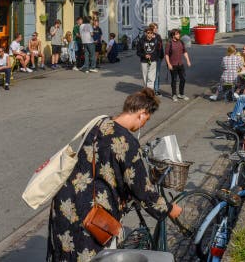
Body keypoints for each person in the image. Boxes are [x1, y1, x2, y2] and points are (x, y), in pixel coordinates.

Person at [46, 88, 182, 259]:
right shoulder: (126, 142)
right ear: (141, 113)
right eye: (146, 120)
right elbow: (141, 188)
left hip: (64, 201)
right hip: (89, 212)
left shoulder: (100, 123)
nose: (143, 125)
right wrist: (169, 208)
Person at [164, 28, 191, 101]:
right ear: (173, 35)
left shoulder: (181, 42)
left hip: (180, 64)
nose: (179, 35)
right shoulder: (169, 43)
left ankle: (181, 94)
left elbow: (184, 52)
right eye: (177, 34)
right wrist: (169, 64)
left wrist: (188, 61)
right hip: (173, 64)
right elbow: (166, 55)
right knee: (174, 80)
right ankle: (174, 95)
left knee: (183, 79)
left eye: (179, 33)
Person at [150, 23, 165, 95]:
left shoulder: (158, 36)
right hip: (152, 58)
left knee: (157, 74)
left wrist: (162, 55)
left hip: (158, 58)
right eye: (154, 28)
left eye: (156, 28)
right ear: (151, 28)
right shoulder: (149, 36)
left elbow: (161, 47)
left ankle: (156, 89)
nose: (156, 29)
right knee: (151, 74)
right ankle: (151, 89)